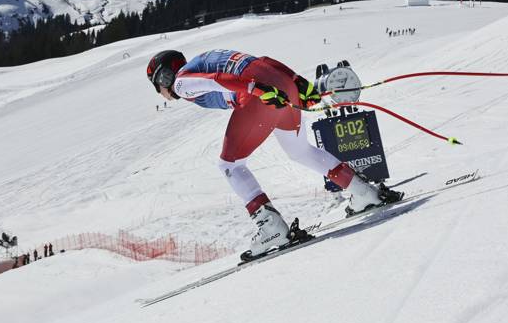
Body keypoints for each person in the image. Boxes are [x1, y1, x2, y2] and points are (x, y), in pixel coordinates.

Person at [145, 49, 402, 257]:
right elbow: (264, 61)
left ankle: (271, 228)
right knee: (300, 150)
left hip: (262, 95)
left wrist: (257, 89)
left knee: (230, 165)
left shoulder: (181, 82)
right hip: (280, 86)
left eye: (158, 84)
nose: (161, 91)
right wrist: (299, 83)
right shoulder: (205, 61)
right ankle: (363, 191)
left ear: (164, 77)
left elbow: (216, 81)